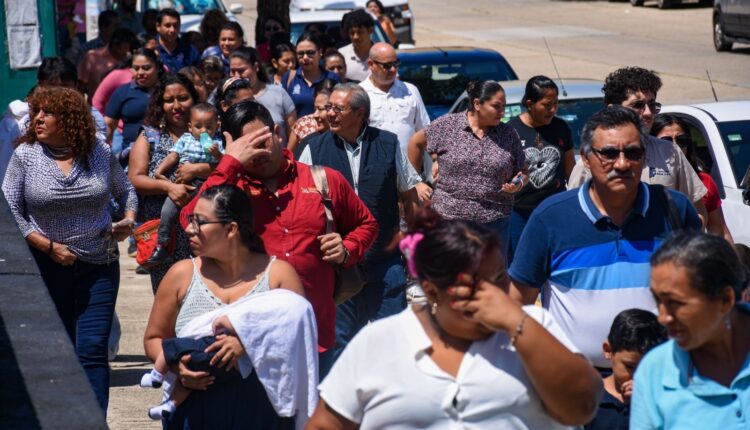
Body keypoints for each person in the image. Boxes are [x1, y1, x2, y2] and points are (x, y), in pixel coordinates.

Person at [307, 206, 603, 429]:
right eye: (474, 285)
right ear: (431, 291)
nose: (494, 294)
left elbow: (583, 405)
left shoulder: (534, 324)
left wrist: (517, 323)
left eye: (500, 277)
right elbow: (325, 424)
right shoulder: (380, 341)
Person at [180, 100, 378, 379]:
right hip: (245, 343)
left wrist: (347, 248)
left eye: (261, 141)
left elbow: (366, 223)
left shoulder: (323, 180)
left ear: (276, 132)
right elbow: (189, 221)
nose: (258, 153)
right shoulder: (229, 191)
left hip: (315, 335)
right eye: (247, 147)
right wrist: (229, 164)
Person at [506, 106, 701, 369]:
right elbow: (519, 302)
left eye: (633, 153)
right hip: (576, 381)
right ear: (586, 158)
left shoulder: (674, 209)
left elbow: (700, 292)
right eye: (609, 153)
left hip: (665, 374)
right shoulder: (551, 218)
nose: (622, 164)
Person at [2, 86, 137, 413]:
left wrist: (128, 220)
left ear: (71, 119)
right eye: (36, 112)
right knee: (56, 351)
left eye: (48, 113)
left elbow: (126, 190)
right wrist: (47, 246)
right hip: (46, 267)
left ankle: (94, 420)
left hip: (99, 264)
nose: (38, 119)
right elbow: (10, 208)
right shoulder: (26, 155)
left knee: (92, 349)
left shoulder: (98, 152)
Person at [144, 184, 314, 428]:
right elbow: (154, 338)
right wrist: (176, 365)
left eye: (200, 222)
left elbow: (298, 340)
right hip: (195, 412)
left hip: (261, 414)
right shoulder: (181, 274)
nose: (189, 229)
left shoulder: (278, 275)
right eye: (191, 220)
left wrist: (249, 342)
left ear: (231, 229)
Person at [298, 83, 423, 361]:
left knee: (392, 340)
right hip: (337, 266)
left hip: (385, 262)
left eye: (338, 108)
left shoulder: (388, 144)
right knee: (341, 344)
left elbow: (409, 196)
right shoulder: (313, 149)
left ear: (360, 113)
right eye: (328, 107)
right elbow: (298, 203)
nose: (329, 113)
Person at [631, 232, 750, 430]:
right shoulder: (655, 371)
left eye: (676, 303)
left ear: (725, 300)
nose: (663, 318)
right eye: (658, 300)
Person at [567, 66, 708, 224]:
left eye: (652, 105)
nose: (648, 113)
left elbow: (697, 211)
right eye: (638, 105)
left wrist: (677, 235)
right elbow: (572, 215)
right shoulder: (591, 160)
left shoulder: (670, 152)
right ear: (613, 110)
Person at [407, 80, 526, 253]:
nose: (502, 112)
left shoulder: (508, 134)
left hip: (495, 222)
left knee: (491, 270)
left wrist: (518, 183)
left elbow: (522, 170)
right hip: (450, 221)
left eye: (504, 107)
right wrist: (416, 182)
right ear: (477, 104)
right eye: (496, 106)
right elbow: (415, 143)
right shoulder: (448, 126)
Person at [128, 73, 204, 291]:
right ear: (160, 105)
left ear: (194, 99)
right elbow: (135, 178)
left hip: (203, 231)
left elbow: (225, 163)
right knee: (168, 296)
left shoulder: (208, 132)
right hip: (164, 235)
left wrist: (199, 169)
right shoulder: (150, 136)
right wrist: (169, 187)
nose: (176, 106)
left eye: (183, 98)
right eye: (169, 100)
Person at [1, 57, 108, 185]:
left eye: (65, 87)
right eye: (52, 87)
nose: (58, 95)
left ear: (76, 85)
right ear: (40, 86)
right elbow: (7, 173)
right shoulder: (17, 122)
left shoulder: (92, 118)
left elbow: (99, 161)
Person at [506, 76, 575, 262]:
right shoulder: (510, 131)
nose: (553, 110)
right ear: (530, 104)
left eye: (556, 104)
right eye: (546, 105)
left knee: (555, 262)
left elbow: (571, 171)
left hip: (555, 211)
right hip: (519, 213)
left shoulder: (561, 128)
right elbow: (504, 174)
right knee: (521, 263)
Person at [147, 103, 223, 265]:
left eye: (209, 127)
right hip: (184, 183)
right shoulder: (185, 139)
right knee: (168, 210)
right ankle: (162, 244)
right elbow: (173, 156)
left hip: (207, 185)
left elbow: (223, 163)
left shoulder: (217, 141)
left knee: (204, 218)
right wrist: (159, 171)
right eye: (198, 126)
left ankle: (206, 250)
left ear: (217, 126)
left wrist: (216, 153)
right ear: (190, 127)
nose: (203, 131)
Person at [651, 113, 733, 243]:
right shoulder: (643, 178)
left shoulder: (704, 181)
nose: (675, 146)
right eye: (666, 141)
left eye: (682, 140)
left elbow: (719, 230)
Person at [585, 309, 667, 430]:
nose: (639, 376)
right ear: (608, 350)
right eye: (630, 366)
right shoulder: (589, 397)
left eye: (648, 367)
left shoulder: (664, 398)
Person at [360, 42, 430, 179]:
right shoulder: (360, 93)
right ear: (371, 64)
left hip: (410, 174)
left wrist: (433, 164)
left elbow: (425, 131)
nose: (393, 70)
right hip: (374, 174)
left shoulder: (410, 91)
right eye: (387, 65)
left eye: (396, 64)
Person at [105, 48, 162, 162]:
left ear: (157, 68)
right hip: (130, 155)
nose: (140, 73)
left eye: (146, 68)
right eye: (136, 68)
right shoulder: (122, 92)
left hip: (163, 152)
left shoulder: (166, 91)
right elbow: (109, 125)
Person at [230, 47, 296, 144]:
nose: (236, 76)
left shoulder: (278, 93)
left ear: (256, 67)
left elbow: (293, 132)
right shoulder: (230, 99)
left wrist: (288, 153)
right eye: (232, 71)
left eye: (241, 70)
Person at [282, 33, 340, 117]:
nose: (305, 57)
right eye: (300, 53)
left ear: (320, 52)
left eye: (310, 53)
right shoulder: (289, 77)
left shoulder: (332, 77)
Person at [77, 27, 136, 100]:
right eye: (126, 48)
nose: (128, 52)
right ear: (115, 46)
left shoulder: (131, 61)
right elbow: (81, 85)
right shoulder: (92, 57)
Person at [287, 79, 335, 156]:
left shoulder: (344, 132)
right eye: (315, 109)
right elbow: (289, 156)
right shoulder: (303, 124)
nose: (315, 115)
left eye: (320, 109)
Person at [339, 9, 375, 82]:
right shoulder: (341, 54)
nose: (355, 37)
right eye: (352, 33)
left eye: (360, 32)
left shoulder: (382, 53)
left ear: (370, 30)